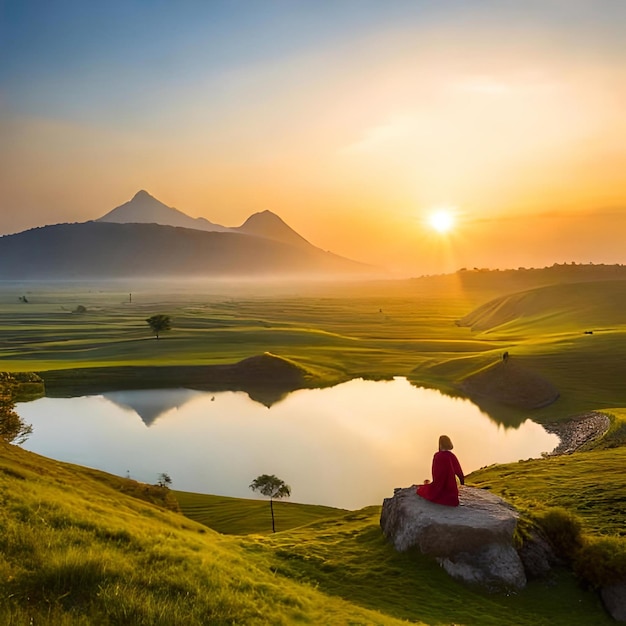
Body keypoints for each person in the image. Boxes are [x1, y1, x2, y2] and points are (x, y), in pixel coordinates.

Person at [416, 435, 465, 506]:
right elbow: (459, 472)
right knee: (451, 499)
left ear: (440, 444)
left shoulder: (437, 456)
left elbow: (435, 472)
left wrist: (436, 483)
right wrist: (462, 482)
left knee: (424, 491)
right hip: (451, 488)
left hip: (439, 486)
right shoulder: (451, 456)